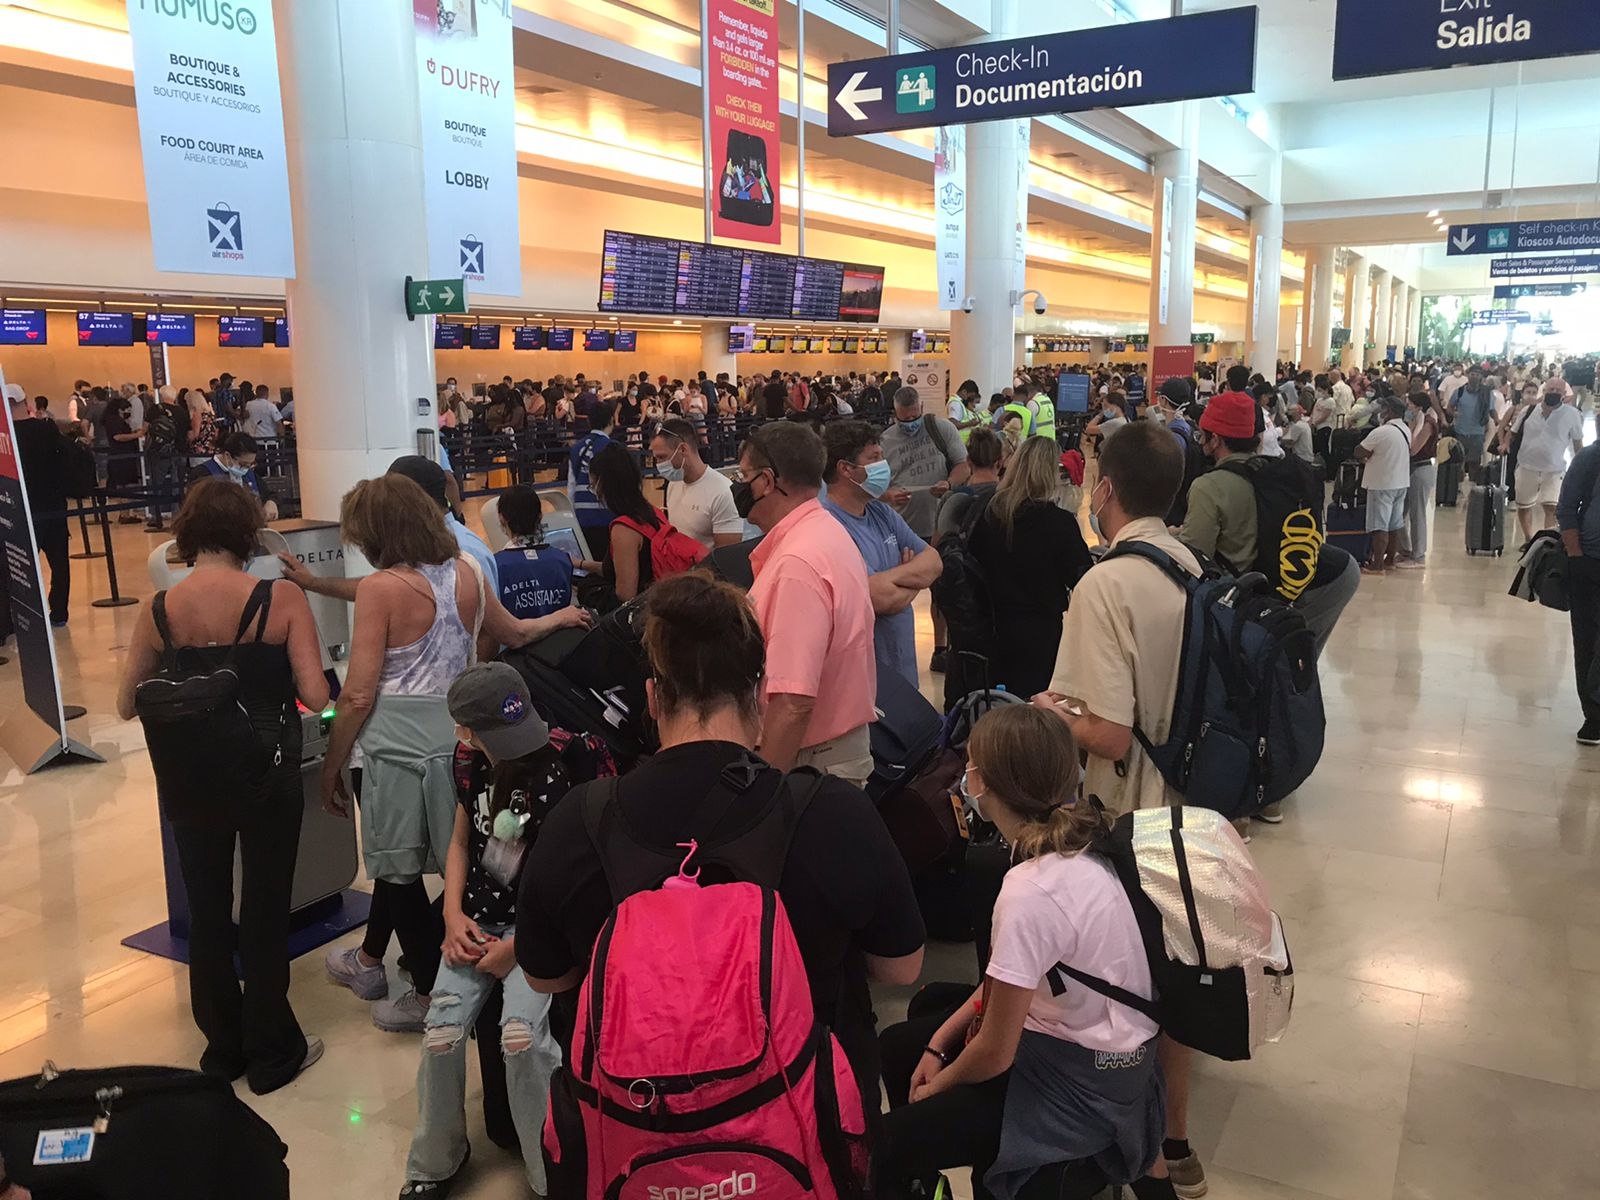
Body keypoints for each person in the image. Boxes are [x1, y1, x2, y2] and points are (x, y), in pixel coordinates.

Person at [515, 571, 925, 1107]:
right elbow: (901, 968)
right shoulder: (830, 812)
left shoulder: (581, 822)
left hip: (645, 1135)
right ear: (759, 690)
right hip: (806, 1123)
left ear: (654, 698)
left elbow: (547, 978)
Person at [319, 475, 590, 1034]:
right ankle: (474, 968)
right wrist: (561, 615)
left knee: (397, 871)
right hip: (462, 741)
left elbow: (359, 693)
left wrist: (332, 763)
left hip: (393, 749)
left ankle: (426, 986)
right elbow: (512, 631)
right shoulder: (465, 573)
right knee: (464, 865)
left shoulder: (379, 589)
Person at [876, 705, 1169, 1200]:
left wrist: (937, 1086)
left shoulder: (1029, 889)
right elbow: (1002, 984)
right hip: (1109, 1051)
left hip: (1079, 1083)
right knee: (905, 1042)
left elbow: (994, 1051)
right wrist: (936, 1046)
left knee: (887, 1145)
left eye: (970, 765)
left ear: (986, 784)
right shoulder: (1089, 838)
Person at [1032, 419, 1206, 1198]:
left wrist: (1047, 709)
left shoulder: (1107, 582)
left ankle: (1134, 1151)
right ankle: (1176, 1135)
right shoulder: (1188, 562)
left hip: (1131, 813)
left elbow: (1105, 731)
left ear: (1102, 488)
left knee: (1125, 978)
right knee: (1177, 972)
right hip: (1194, 804)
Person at [115, 480, 329, 1093]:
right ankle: (272, 1051)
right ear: (245, 534)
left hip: (191, 781)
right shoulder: (279, 598)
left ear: (186, 535)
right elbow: (315, 695)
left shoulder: (158, 609)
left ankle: (222, 1049)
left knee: (208, 912)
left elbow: (126, 704)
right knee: (264, 908)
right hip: (266, 774)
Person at [398, 663, 565, 1200]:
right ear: (465, 733)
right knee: (441, 1036)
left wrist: (519, 949)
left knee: (521, 1039)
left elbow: (565, 879)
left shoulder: (559, 771)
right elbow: (459, 843)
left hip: (533, 931)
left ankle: (549, 1173)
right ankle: (435, 1163)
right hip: (475, 920)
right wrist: (450, 914)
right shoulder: (467, 766)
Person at [735, 422, 877, 784]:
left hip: (809, 761)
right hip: (831, 752)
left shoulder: (797, 564)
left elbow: (793, 702)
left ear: (766, 481)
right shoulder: (825, 532)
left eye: (744, 475)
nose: (739, 485)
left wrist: (763, 789)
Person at [820, 421, 943, 691]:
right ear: (845, 469)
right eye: (874, 458)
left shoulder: (881, 512)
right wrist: (912, 577)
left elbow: (934, 561)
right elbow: (877, 597)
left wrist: (893, 581)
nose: (883, 465)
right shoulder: (828, 526)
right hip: (863, 680)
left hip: (903, 668)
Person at [967, 436, 1093, 698]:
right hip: (1041, 632)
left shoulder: (989, 513)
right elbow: (1082, 579)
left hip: (992, 628)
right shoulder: (1059, 523)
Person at [880, 386, 969, 672]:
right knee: (901, 587)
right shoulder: (885, 441)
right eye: (904, 420)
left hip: (942, 524)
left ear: (921, 409)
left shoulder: (941, 428)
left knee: (944, 590)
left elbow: (962, 466)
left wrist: (949, 484)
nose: (910, 424)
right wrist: (888, 495)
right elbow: (877, 486)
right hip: (904, 526)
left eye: (914, 417)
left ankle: (942, 647)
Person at [567, 441, 678, 603]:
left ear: (604, 483)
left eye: (593, 485)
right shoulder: (651, 512)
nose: (595, 493)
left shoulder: (624, 529)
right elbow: (620, 568)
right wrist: (580, 564)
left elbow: (625, 596)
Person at [6, 386, 71, 626]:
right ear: (26, 403)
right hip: (53, 505)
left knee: (20, 564)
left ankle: (23, 616)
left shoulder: (7, 436)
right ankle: (59, 613)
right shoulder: (47, 429)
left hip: (19, 508)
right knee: (59, 563)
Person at [1558, 441, 1600, 746]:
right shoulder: (1590, 458)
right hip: (1589, 561)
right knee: (1586, 638)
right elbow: (1567, 508)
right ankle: (1594, 715)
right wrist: (1576, 554)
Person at [649, 417, 743, 552]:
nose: (658, 464)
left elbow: (727, 558)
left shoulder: (723, 492)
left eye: (662, 457)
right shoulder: (673, 484)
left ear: (683, 450)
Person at [492, 485, 575, 619]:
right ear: (540, 517)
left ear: (502, 518)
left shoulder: (496, 565)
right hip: (559, 638)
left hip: (517, 639)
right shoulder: (563, 560)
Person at [1514, 386, 1586, 541]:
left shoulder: (1572, 414)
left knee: (1551, 508)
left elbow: (1577, 442)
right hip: (1527, 467)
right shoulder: (1529, 410)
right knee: (1524, 506)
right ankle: (1528, 539)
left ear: (1564, 394)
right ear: (1544, 391)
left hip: (1554, 469)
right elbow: (1513, 432)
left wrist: (1580, 465)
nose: (1553, 392)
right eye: (1550, 389)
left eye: (1558, 390)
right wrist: (1504, 443)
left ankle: (1546, 540)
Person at [1354, 395, 1414, 574]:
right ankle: (1390, 560)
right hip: (1400, 482)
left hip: (1381, 483)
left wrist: (1369, 455)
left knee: (1379, 525)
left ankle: (1377, 564)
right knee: (1394, 523)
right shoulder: (1405, 429)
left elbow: (1359, 451)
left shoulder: (1382, 431)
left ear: (1389, 411)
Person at [1397, 389, 1441, 570]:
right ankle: (1405, 549)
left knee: (1417, 513)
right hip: (1408, 469)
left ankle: (1419, 555)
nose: (1407, 408)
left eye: (1410, 405)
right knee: (1399, 513)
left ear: (1418, 407)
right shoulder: (1413, 421)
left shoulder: (1428, 424)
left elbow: (1414, 449)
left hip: (1421, 470)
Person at [193, 431, 280, 520]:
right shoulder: (203, 473)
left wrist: (271, 502)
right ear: (227, 456)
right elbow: (196, 509)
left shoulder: (249, 473)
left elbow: (268, 493)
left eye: (250, 464)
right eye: (243, 464)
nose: (246, 469)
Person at [1446, 365, 1498, 474]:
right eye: (1472, 374)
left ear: (1481, 377)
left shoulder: (1487, 394)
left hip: (1477, 434)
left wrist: (1499, 422)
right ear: (1468, 376)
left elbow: (1492, 410)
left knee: (1474, 464)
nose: (1474, 377)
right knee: (1458, 463)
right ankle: (1458, 487)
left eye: (1477, 375)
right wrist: (1453, 413)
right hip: (1460, 432)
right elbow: (1449, 407)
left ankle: (1472, 486)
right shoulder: (1459, 392)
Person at [103, 390, 145, 520]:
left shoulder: (112, 419)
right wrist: (136, 435)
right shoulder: (114, 421)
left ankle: (125, 512)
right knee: (125, 484)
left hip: (121, 455)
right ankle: (125, 513)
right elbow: (118, 437)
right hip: (122, 455)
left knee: (123, 484)